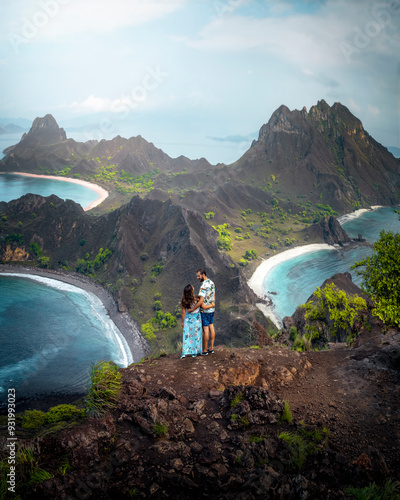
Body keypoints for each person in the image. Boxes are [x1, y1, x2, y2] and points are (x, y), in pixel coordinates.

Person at [180, 284, 214, 358]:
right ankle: (196, 351)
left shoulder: (184, 300)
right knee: (196, 335)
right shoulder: (197, 299)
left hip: (188, 319)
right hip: (196, 319)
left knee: (187, 336)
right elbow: (204, 307)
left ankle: (185, 352)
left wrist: (182, 322)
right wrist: (211, 305)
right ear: (192, 290)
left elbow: (183, 312)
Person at [188, 268, 216, 355]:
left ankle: (204, 350)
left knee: (206, 329)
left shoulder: (203, 286)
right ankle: (211, 348)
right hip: (211, 309)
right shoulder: (212, 283)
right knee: (211, 327)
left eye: (198, 276)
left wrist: (192, 309)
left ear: (203, 274)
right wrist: (212, 305)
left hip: (205, 311)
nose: (197, 277)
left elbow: (201, 301)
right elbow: (214, 295)